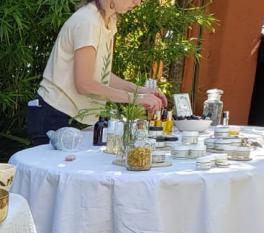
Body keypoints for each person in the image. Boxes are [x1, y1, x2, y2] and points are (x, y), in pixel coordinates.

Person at [27, 0, 167, 146]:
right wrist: (135, 98)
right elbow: (85, 84)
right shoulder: (88, 22)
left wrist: (140, 90)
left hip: (76, 118)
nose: (137, 2)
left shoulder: (108, 21)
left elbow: (101, 75)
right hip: (54, 115)